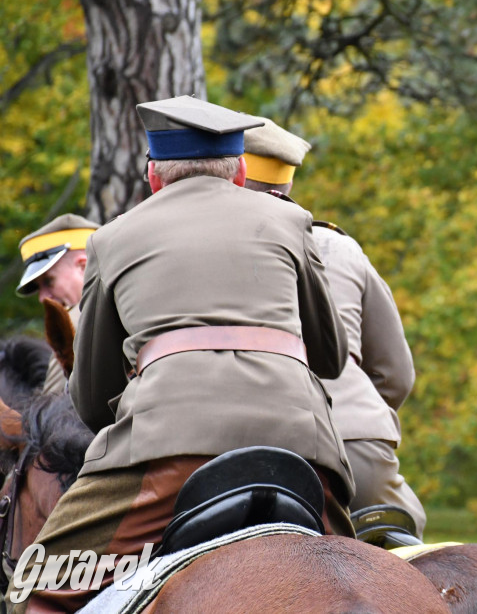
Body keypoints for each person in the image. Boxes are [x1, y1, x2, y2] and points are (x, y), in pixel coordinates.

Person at [14, 96, 353, 613]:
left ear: (154, 176)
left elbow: (89, 397)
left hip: (165, 452)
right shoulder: (292, 222)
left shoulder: (112, 237)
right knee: (357, 569)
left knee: (36, 584)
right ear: (240, 172)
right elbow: (330, 357)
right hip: (302, 447)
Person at [242, 117, 426, 538]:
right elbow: (396, 373)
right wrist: (353, 412)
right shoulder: (340, 247)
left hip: (251, 445)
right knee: (410, 560)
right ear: (287, 184)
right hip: (355, 444)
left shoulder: (212, 246)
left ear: (234, 174)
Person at [15, 214, 101, 394]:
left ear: (83, 266)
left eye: (49, 281)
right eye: (39, 287)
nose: (42, 298)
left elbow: (52, 411)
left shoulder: (75, 322)